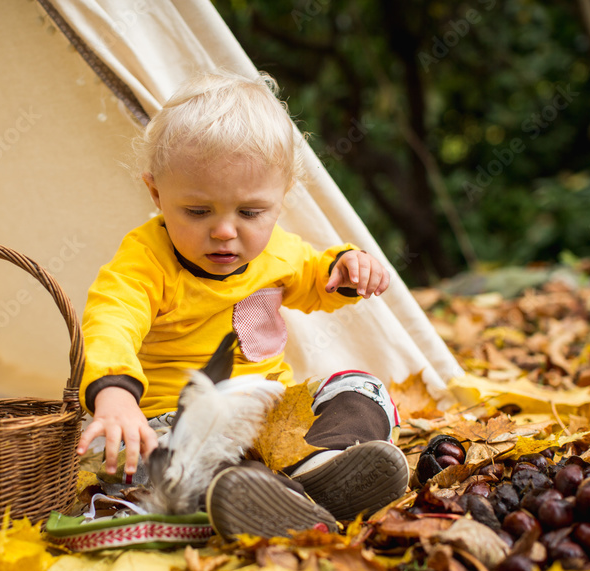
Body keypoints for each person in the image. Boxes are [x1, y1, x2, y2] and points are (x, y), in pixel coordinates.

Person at [76, 70, 409, 538]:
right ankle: (243, 493)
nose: (225, 231)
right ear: (156, 194)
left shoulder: (278, 251)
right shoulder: (145, 261)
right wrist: (115, 397)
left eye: (250, 212)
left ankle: (323, 466)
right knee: (151, 462)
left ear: (281, 199)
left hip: (274, 418)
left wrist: (346, 268)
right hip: (181, 425)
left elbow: (316, 276)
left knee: (360, 386)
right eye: (197, 211)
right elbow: (111, 319)